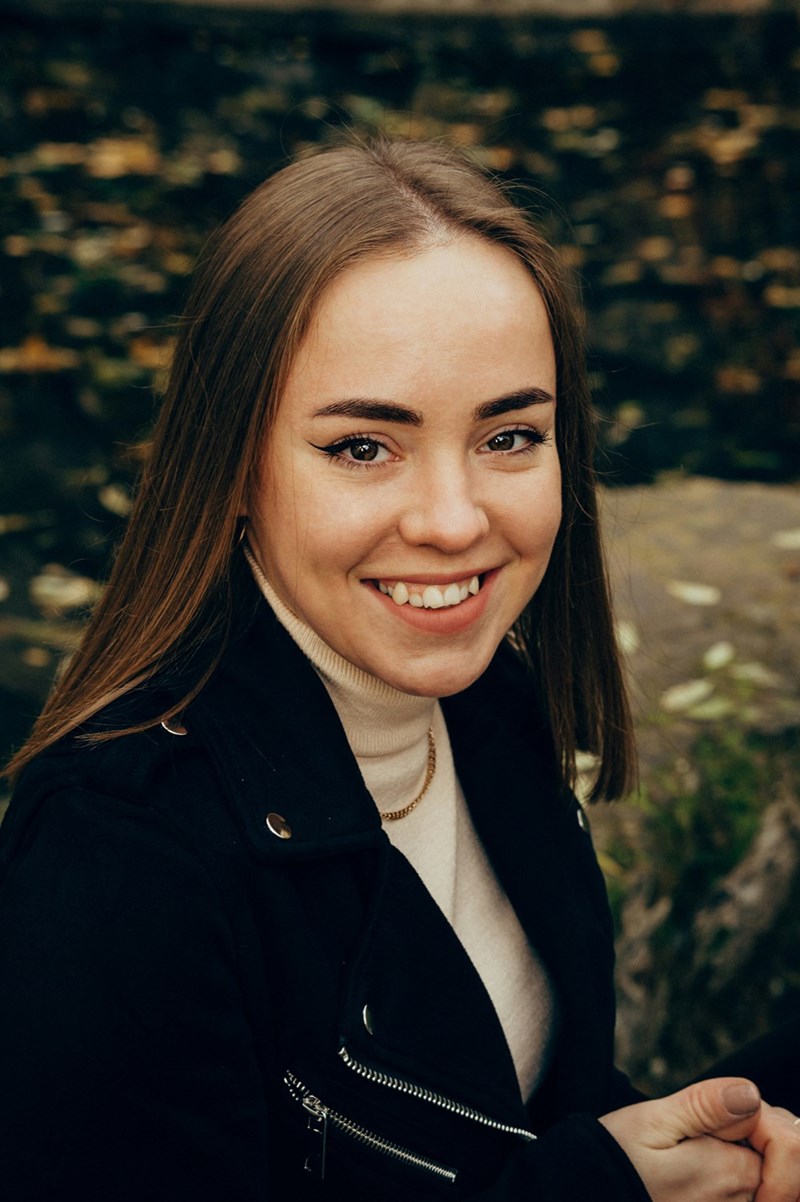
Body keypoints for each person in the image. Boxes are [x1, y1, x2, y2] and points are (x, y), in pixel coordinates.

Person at [0, 137, 798, 1202]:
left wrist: (732, 1149)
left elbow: (534, 1110)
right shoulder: (116, 852)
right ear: (230, 461)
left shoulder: (487, 702)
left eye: (508, 435)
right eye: (364, 447)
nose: (453, 521)